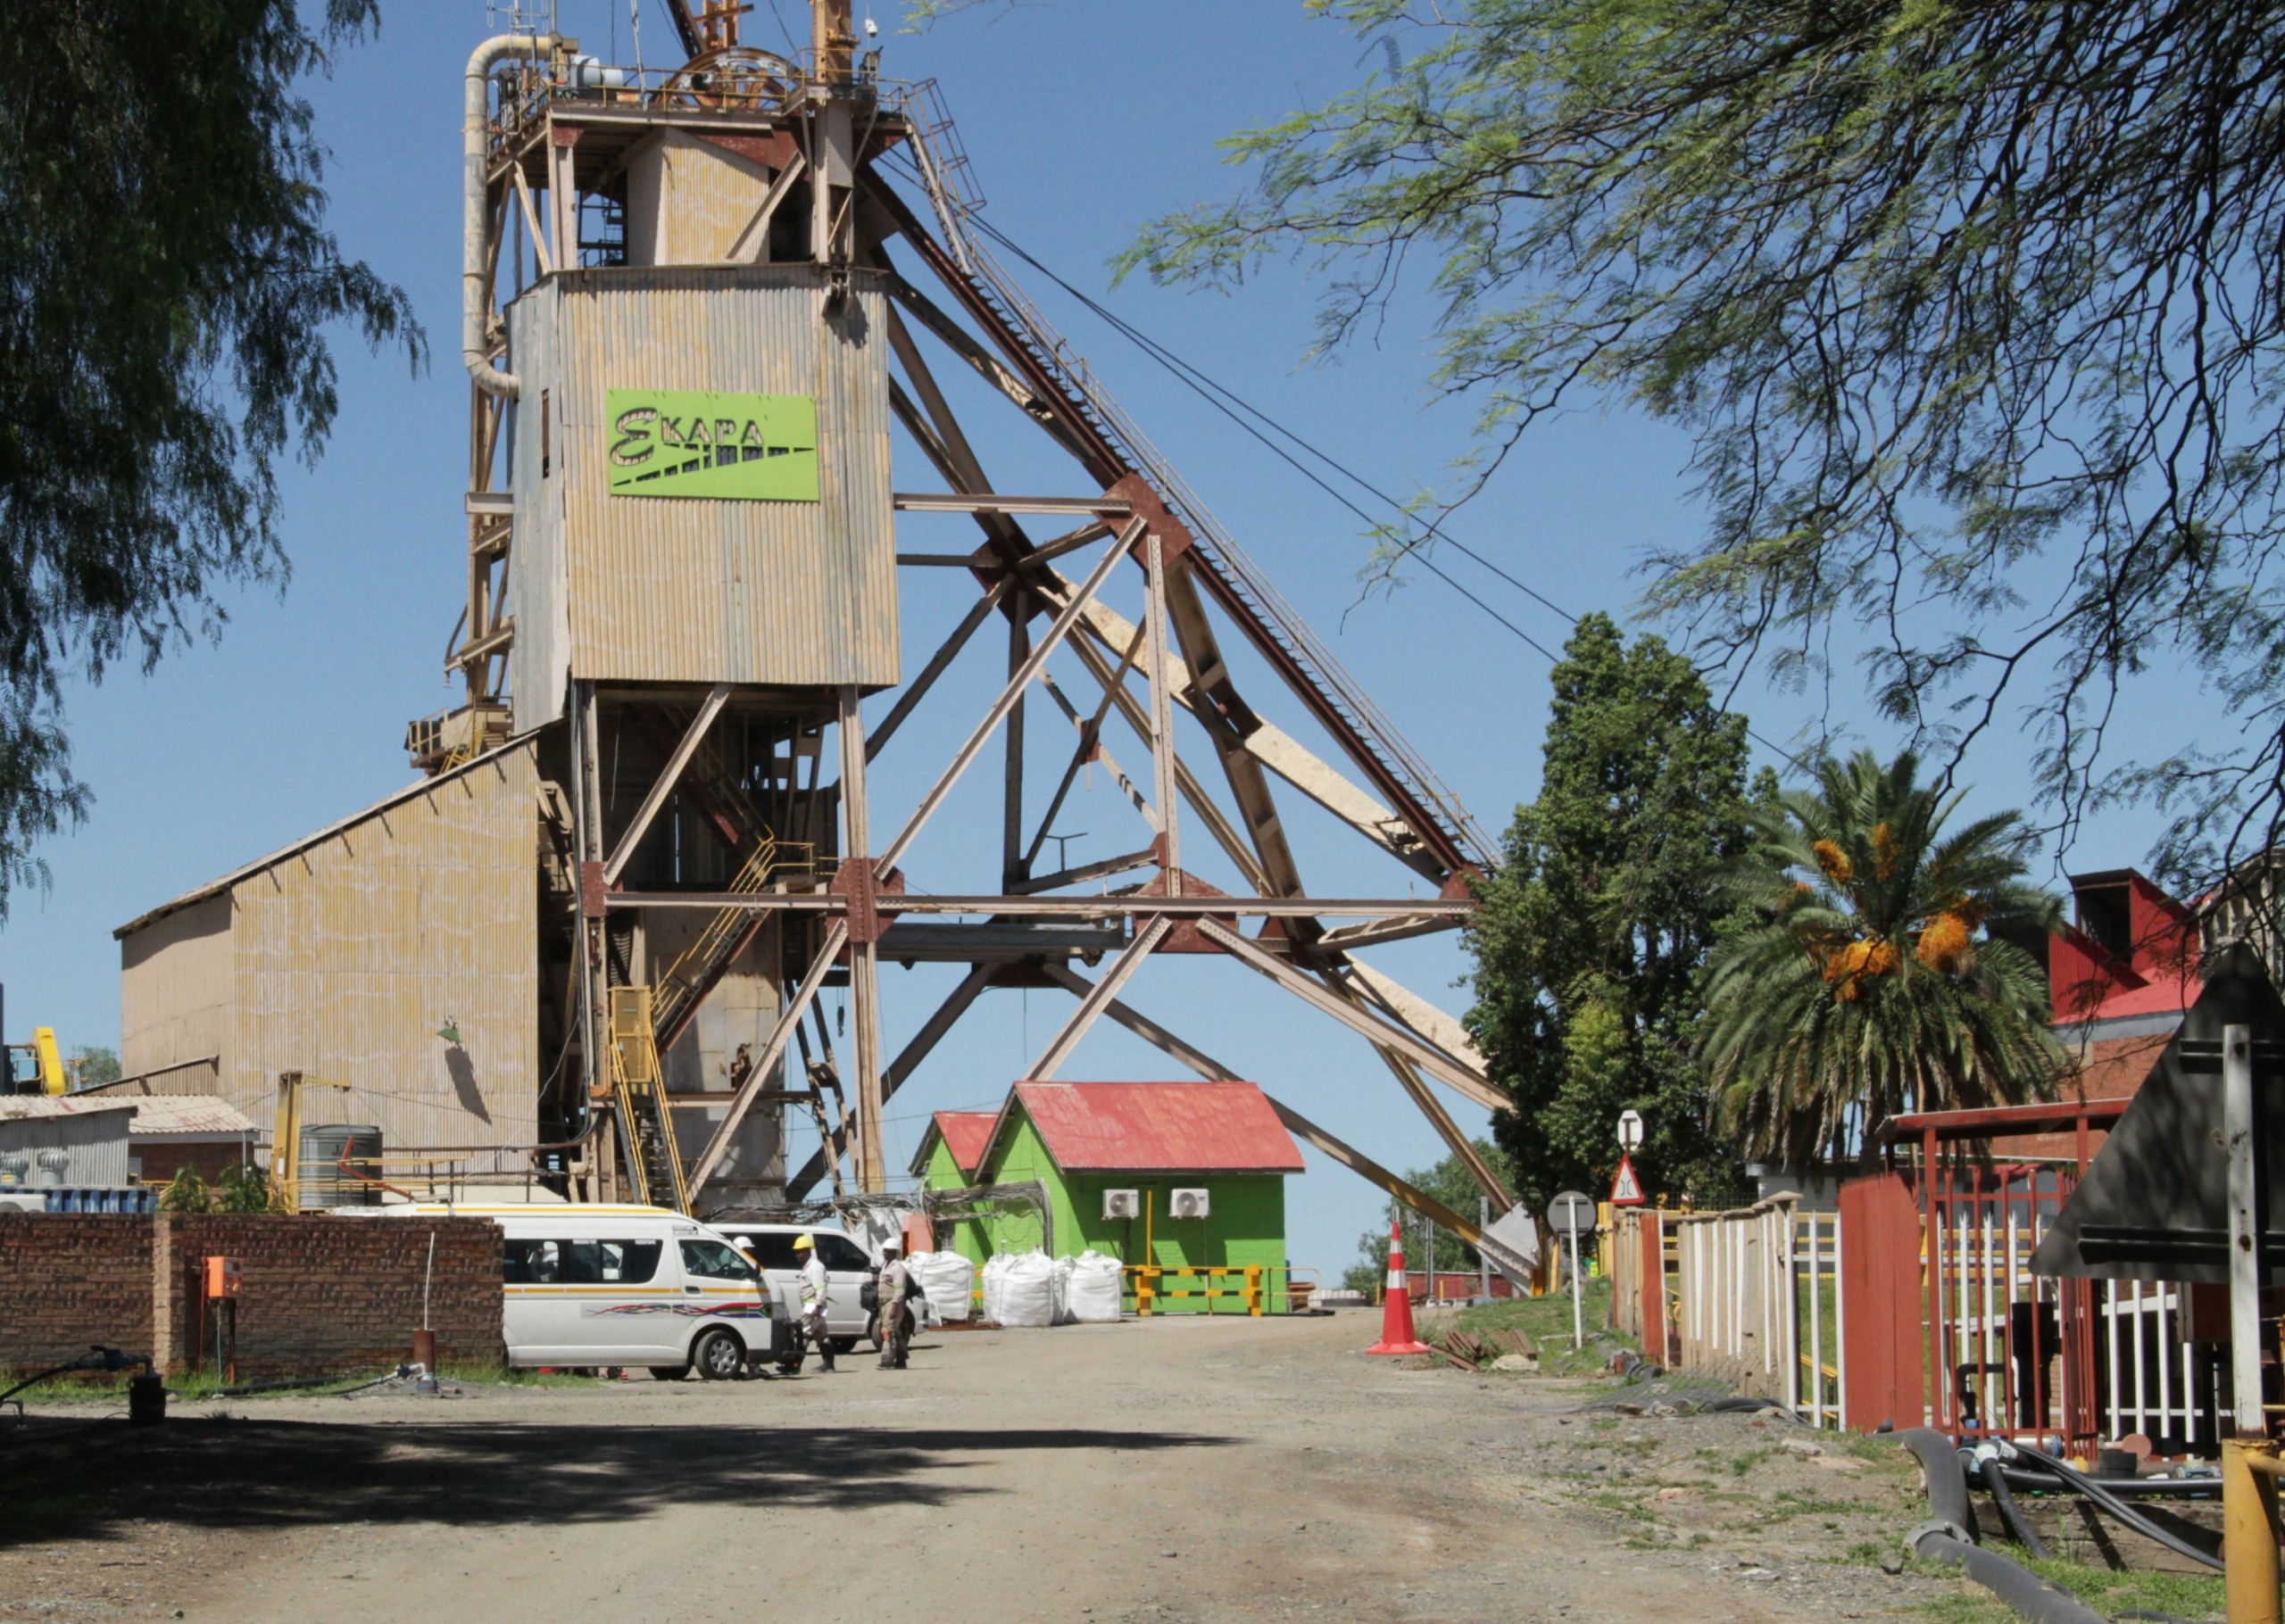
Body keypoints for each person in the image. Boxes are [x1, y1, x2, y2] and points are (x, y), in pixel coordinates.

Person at [794, 1232, 834, 1372]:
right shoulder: (808, 1266)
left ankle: (794, 1366)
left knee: (803, 1335)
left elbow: (821, 1288)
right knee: (821, 1335)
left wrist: (817, 1306)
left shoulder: (815, 1267)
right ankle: (828, 1365)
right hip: (813, 1305)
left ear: (807, 1251)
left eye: (799, 1252)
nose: (797, 1255)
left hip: (813, 1307)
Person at [876, 1239, 915, 1371]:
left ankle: (887, 1361)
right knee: (896, 1332)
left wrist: (894, 1307)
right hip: (884, 1305)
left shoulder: (898, 1268)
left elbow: (899, 1290)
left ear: (894, 1252)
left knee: (886, 1331)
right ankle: (901, 1360)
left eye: (887, 1251)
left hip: (892, 1304)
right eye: (884, 1250)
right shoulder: (885, 1266)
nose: (884, 1253)